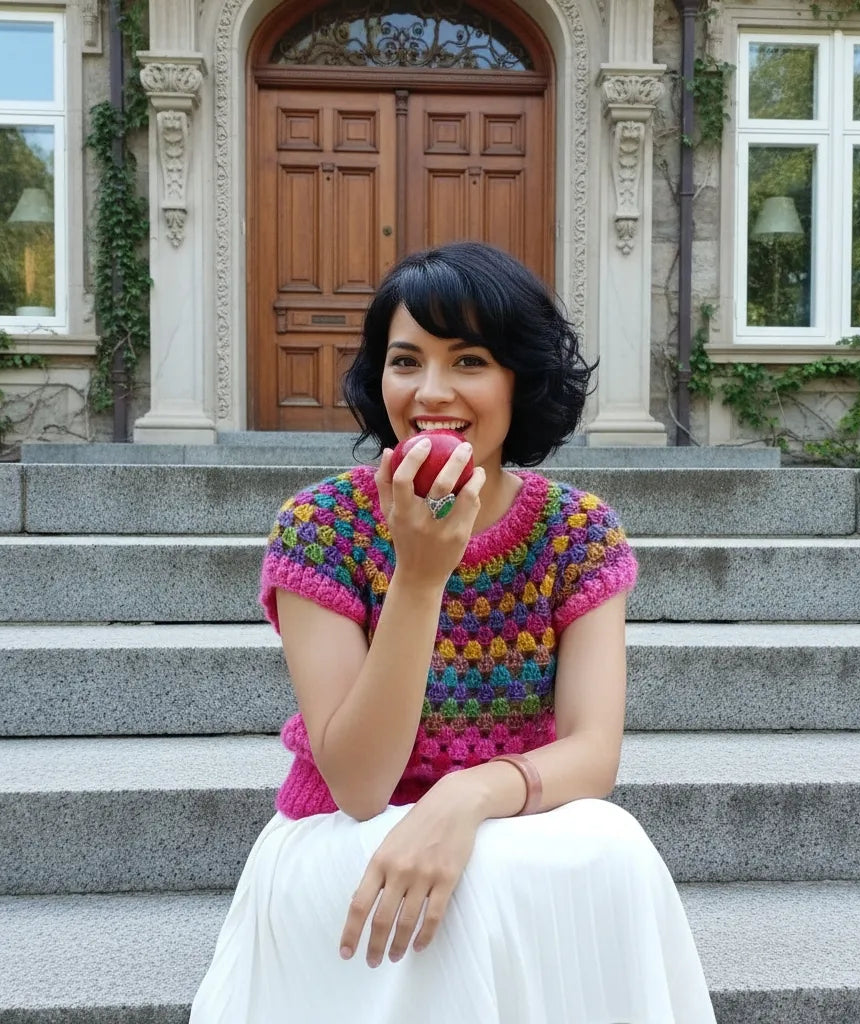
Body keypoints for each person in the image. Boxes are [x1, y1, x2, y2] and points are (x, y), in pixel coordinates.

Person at [189, 242, 716, 1024]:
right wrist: (421, 574)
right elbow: (360, 785)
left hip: (505, 820)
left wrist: (467, 795)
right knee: (473, 885)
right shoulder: (321, 528)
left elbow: (592, 752)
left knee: (613, 845)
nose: (430, 392)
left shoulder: (576, 532)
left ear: (518, 379)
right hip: (348, 837)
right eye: (406, 362)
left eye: (468, 360)